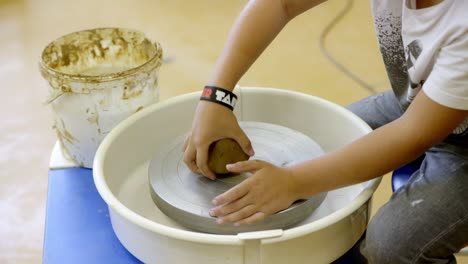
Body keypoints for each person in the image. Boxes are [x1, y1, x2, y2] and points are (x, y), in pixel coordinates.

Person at [182, 0, 468, 263]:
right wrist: (216, 96)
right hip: (423, 101)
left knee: (391, 246)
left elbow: (413, 134)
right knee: (321, 144)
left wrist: (292, 182)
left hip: (458, 142)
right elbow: (279, 4)